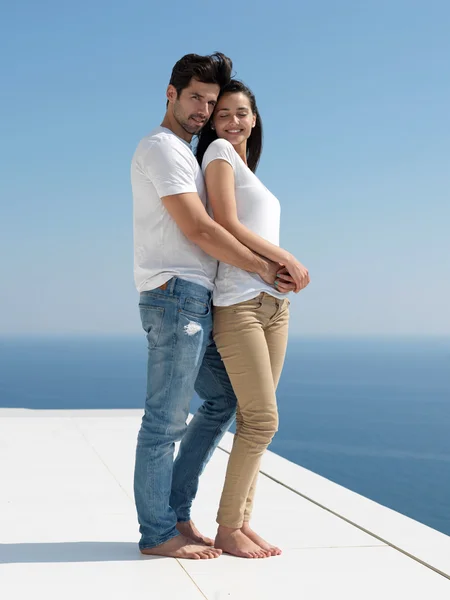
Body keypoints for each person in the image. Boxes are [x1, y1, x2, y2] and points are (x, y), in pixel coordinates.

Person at [131, 54, 293, 560]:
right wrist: (268, 267)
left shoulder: (185, 152)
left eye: (211, 100)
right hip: (175, 294)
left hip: (197, 297)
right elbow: (202, 229)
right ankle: (159, 533)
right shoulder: (162, 148)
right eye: (197, 99)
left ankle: (178, 511)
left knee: (226, 401)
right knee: (165, 421)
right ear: (170, 93)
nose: (204, 109)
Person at [196, 80, 310, 558]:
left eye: (241, 113)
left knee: (253, 420)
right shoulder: (219, 152)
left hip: (274, 306)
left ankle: (241, 523)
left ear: (255, 118)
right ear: (214, 123)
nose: (233, 122)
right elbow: (227, 223)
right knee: (262, 419)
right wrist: (285, 259)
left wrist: (277, 276)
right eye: (223, 114)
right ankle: (227, 527)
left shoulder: (246, 166)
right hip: (240, 303)